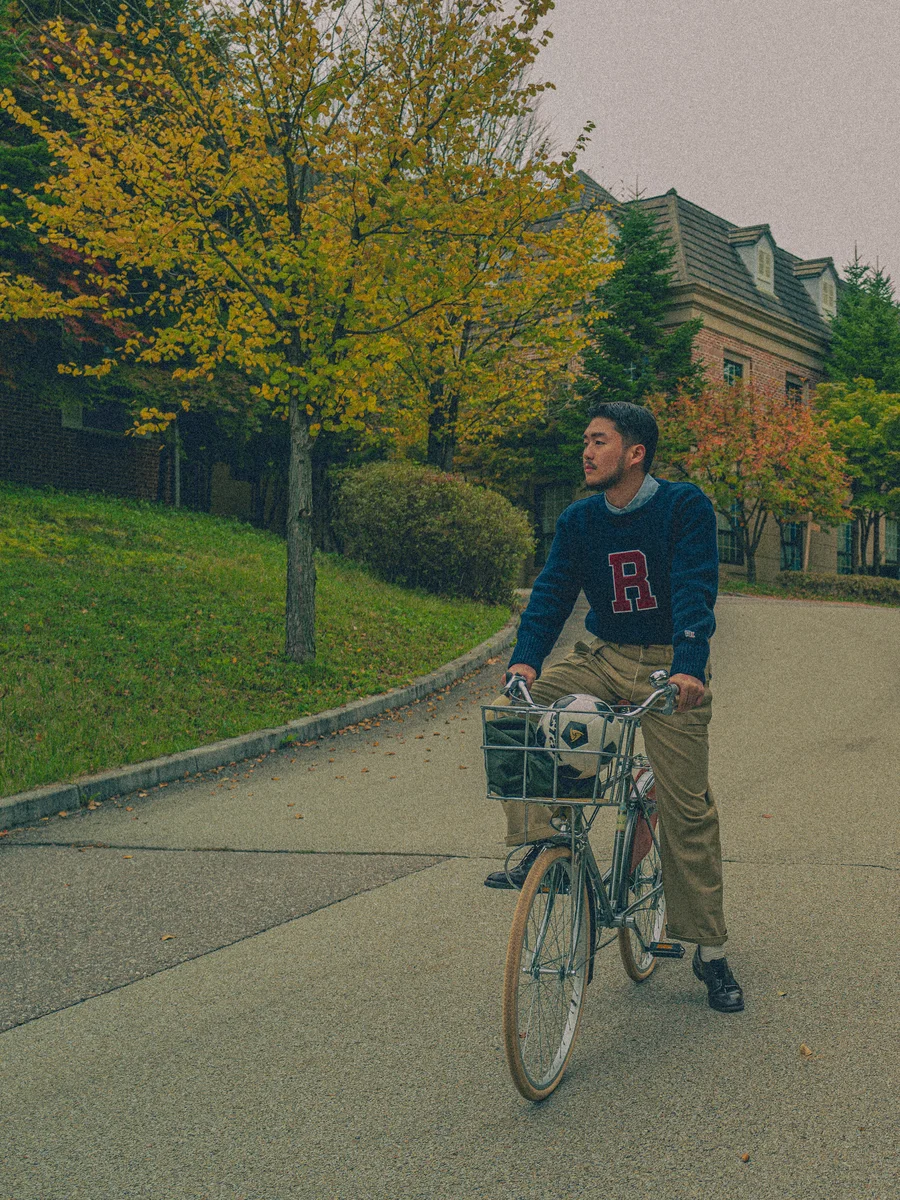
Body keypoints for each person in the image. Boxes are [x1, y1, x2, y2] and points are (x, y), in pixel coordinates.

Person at [484, 401, 743, 1014]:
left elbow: (693, 586)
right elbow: (551, 591)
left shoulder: (684, 506)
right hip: (601, 655)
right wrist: (525, 659)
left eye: (599, 441)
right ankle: (540, 845)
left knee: (686, 808)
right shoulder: (580, 519)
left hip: (666, 667)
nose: (587, 451)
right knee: (509, 710)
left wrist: (688, 663)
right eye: (586, 441)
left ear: (634, 454)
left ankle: (709, 949)